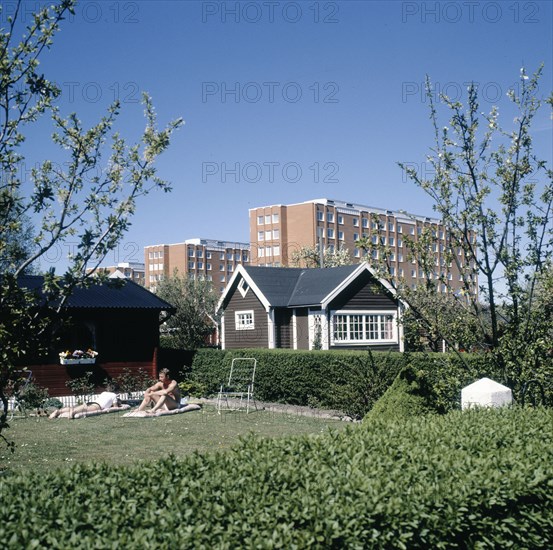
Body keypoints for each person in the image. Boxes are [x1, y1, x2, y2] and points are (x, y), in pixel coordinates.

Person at [49, 391, 122, 419]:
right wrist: (119, 404)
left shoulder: (104, 392)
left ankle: (58, 411)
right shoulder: (114, 395)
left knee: (83, 407)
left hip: (92, 402)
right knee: (84, 409)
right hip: (98, 406)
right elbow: (115, 407)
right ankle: (73, 412)